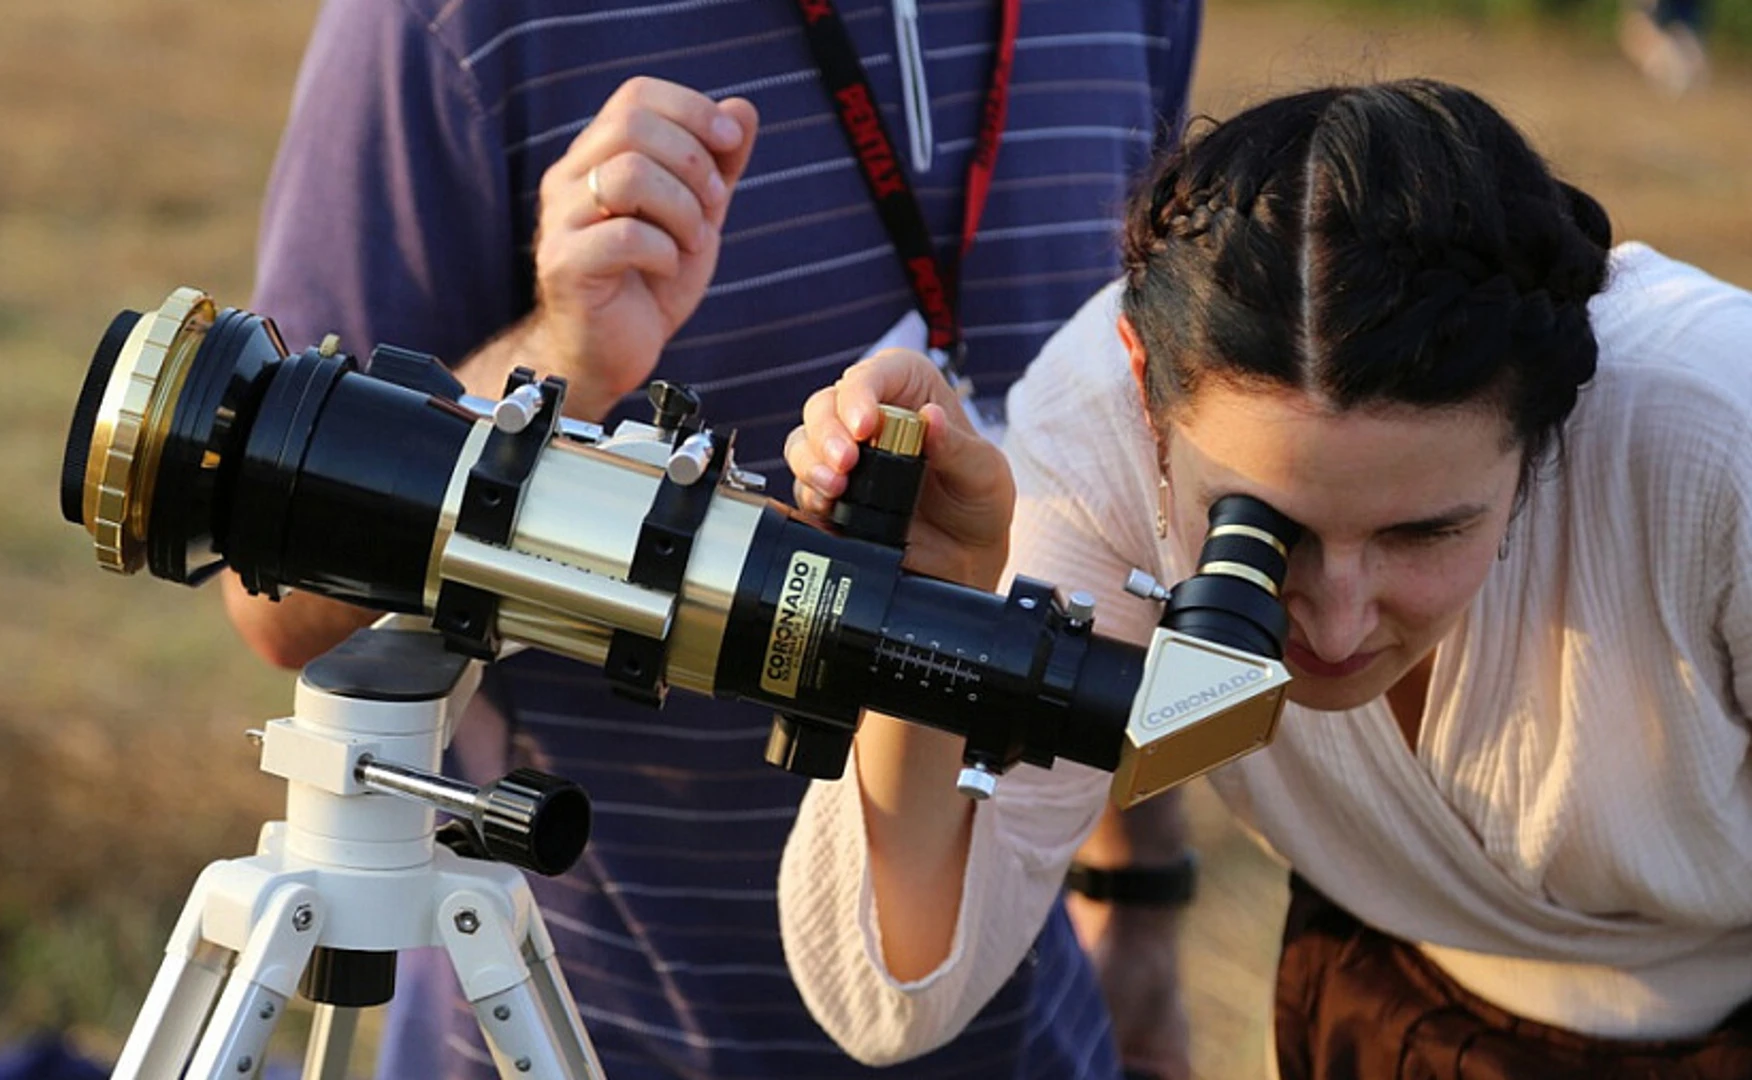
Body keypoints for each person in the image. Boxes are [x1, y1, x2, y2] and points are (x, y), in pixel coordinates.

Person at [225, 1, 1203, 1077]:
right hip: (562, 1032)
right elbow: (281, 602)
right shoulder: (449, 23)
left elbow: (1136, 486)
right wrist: (564, 356)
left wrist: (1139, 900)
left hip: (1029, 1035)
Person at [780, 77, 1752, 1077]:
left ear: (1547, 431)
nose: (1333, 627)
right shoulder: (1096, 438)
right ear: (1145, 398)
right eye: (1262, 531)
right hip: (1389, 1007)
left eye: (1424, 534)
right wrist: (939, 602)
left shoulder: (1717, 433)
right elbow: (891, 995)